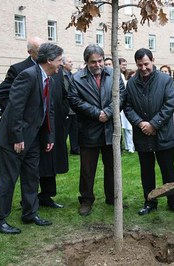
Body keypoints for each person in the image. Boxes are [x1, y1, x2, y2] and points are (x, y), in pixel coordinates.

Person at [0, 43, 63, 234]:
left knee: (31, 178)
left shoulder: (49, 79)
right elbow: (15, 108)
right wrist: (17, 137)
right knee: (8, 180)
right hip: (15, 139)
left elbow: (49, 112)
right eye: (59, 60)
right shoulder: (27, 75)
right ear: (49, 61)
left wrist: (49, 136)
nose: (60, 64)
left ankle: (30, 213)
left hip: (34, 139)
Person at [124, 48, 174, 216]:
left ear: (152, 60)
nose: (143, 68)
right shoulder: (132, 83)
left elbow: (169, 105)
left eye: (146, 64)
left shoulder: (165, 80)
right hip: (142, 135)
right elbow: (127, 107)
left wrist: (154, 124)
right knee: (147, 172)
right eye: (139, 65)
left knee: (168, 171)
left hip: (163, 134)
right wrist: (140, 123)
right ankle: (150, 202)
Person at [68, 44, 125, 216]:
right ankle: (86, 200)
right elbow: (74, 100)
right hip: (88, 130)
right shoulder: (76, 78)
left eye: (100, 61)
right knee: (87, 169)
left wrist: (107, 112)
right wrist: (96, 113)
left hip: (111, 129)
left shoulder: (114, 74)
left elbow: (122, 95)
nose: (98, 65)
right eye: (93, 62)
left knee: (113, 167)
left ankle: (113, 198)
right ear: (86, 62)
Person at [38, 61, 69, 209]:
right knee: (36, 164)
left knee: (51, 161)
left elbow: (64, 95)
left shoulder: (57, 72)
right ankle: (30, 199)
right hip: (35, 128)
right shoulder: (21, 69)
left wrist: (62, 112)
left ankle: (46, 195)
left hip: (54, 123)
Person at [0, 36, 45, 114]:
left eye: (46, 49)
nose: (44, 53)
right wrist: (16, 114)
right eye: (40, 51)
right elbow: (0, 93)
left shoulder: (54, 68)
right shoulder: (18, 69)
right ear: (30, 52)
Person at [62, 56, 80, 155]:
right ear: (63, 64)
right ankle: (62, 151)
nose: (72, 63)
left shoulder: (71, 75)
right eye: (69, 62)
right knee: (64, 131)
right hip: (66, 109)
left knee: (74, 130)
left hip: (74, 109)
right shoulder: (60, 75)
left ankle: (75, 149)